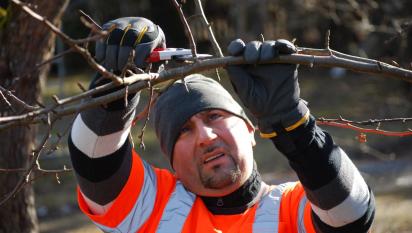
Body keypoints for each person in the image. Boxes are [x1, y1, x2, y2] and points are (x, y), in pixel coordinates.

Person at [68, 17, 375, 233]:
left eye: (214, 116)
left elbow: (352, 215)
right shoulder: (150, 205)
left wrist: (293, 123)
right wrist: (114, 86)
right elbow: (94, 163)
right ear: (170, 159)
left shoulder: (292, 207)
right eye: (184, 131)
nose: (205, 136)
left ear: (250, 130)